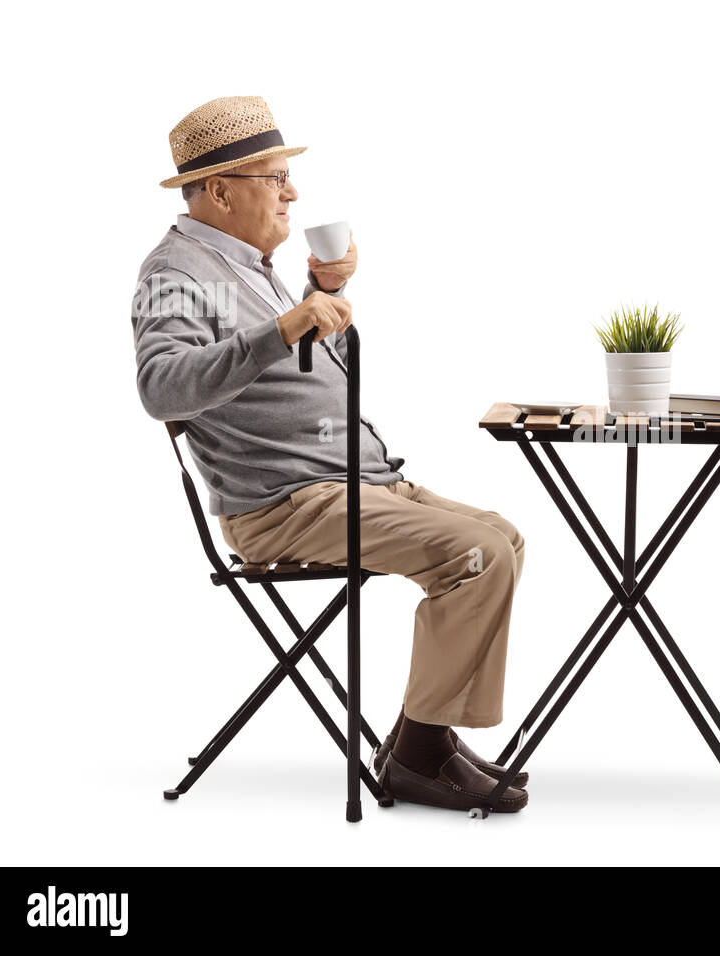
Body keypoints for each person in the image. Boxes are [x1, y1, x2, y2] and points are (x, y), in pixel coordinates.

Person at [132, 96, 528, 813]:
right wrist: (284, 326)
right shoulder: (175, 272)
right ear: (220, 191)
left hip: (355, 482)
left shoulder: (252, 265)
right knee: (478, 555)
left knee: (502, 536)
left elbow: (305, 372)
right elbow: (162, 388)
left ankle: (421, 736)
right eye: (275, 178)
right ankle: (416, 754)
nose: (293, 193)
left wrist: (324, 293)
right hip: (285, 505)